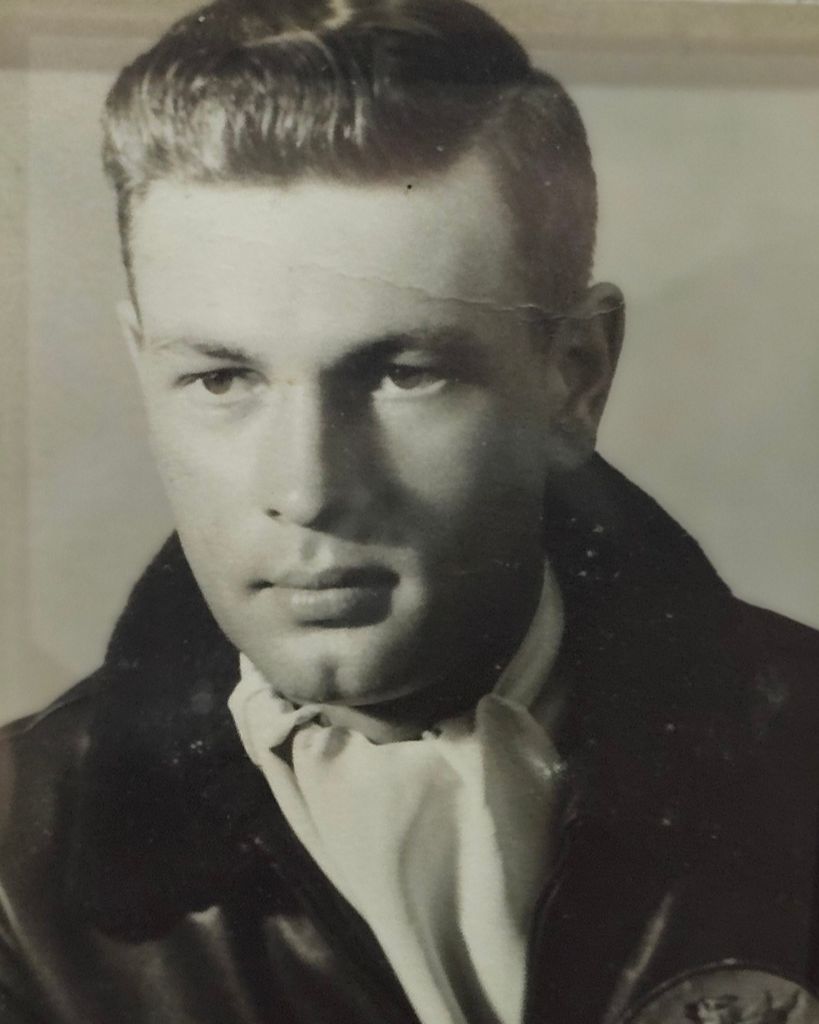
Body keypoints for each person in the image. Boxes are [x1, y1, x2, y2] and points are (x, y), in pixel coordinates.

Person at [1, 0, 818, 1022]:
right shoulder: (13, 878)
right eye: (220, 379)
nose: (307, 489)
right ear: (142, 367)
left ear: (574, 376)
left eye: (402, 373)